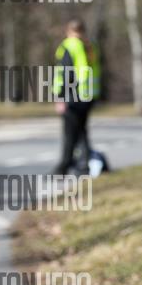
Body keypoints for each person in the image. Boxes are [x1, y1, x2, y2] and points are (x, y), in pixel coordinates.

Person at [52, 18, 101, 175]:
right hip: (88, 95)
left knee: (70, 133)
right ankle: (83, 165)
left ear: (68, 31)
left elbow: (66, 73)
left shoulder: (70, 45)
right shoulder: (90, 46)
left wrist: (60, 96)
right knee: (81, 131)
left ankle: (64, 166)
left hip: (73, 96)